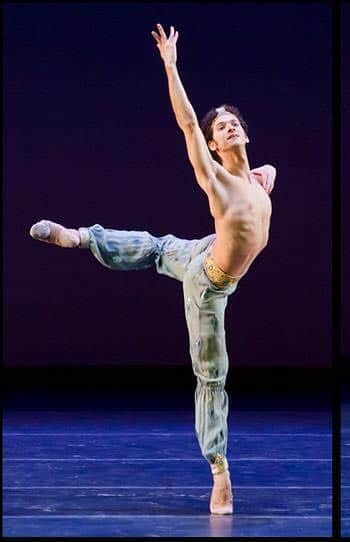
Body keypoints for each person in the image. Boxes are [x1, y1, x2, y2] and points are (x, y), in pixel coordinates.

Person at [29, 24, 278, 515]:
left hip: (205, 249)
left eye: (233, 122)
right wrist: (171, 64)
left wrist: (268, 174)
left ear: (244, 132)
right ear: (211, 147)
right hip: (208, 284)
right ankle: (220, 473)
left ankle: (82, 236)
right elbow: (188, 123)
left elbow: (266, 176)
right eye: (219, 126)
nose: (228, 126)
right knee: (212, 375)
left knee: (159, 246)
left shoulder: (255, 177)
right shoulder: (219, 182)